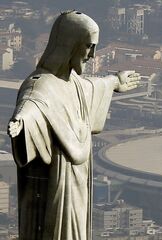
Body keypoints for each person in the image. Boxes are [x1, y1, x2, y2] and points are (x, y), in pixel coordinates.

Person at [7, 11, 140, 239]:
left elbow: (92, 87)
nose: (92, 54)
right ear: (69, 45)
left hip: (78, 180)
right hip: (58, 181)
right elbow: (32, 105)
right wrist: (21, 121)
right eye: (89, 46)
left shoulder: (74, 83)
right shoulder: (41, 85)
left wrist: (116, 82)